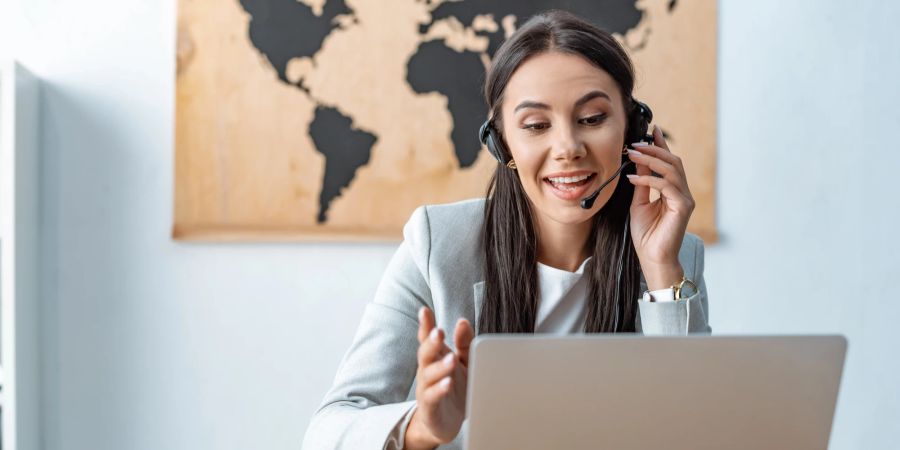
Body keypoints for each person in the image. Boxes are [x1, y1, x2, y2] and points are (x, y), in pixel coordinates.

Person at [301, 10, 711, 450]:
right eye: (536, 126)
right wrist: (421, 428)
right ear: (502, 143)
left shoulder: (673, 256)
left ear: (632, 130)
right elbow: (329, 430)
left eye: (592, 119)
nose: (568, 148)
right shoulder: (437, 243)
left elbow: (694, 430)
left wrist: (661, 270)